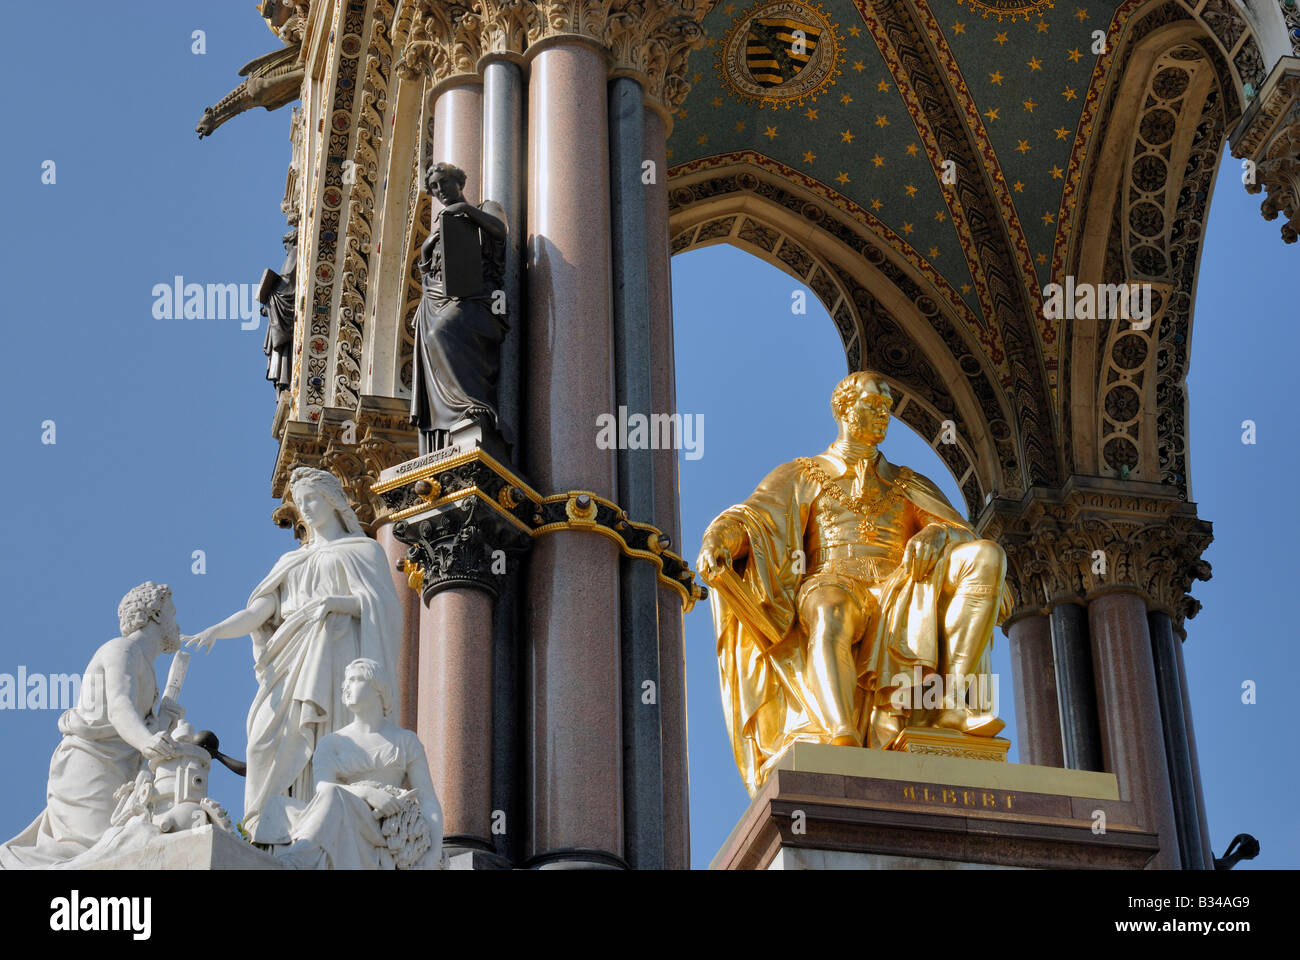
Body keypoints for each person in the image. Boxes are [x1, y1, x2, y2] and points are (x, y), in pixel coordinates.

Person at [697, 371, 1012, 795]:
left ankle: (951, 704)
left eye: (887, 408)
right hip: (831, 581)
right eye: (873, 406)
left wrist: (940, 533)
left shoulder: (907, 481)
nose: (883, 415)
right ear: (845, 410)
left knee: (987, 556)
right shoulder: (802, 473)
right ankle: (840, 732)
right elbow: (752, 519)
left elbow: (963, 533)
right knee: (831, 611)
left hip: (901, 587)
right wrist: (719, 540)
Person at [187, 467, 403, 844]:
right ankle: (266, 829)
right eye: (300, 502)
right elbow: (259, 613)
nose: (305, 508)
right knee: (261, 741)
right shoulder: (289, 563)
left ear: (333, 501)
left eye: (312, 499)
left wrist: (335, 603)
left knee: (327, 737)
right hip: (288, 659)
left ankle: (323, 823)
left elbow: (384, 608)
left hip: (336, 654)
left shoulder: (364, 551)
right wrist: (218, 630)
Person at [1, 582, 183, 867]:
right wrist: (147, 742)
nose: (177, 623)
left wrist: (163, 720)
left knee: (108, 853)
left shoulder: (149, 672)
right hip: (89, 763)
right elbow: (119, 708)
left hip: (119, 772)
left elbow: (138, 732)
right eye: (172, 613)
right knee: (80, 851)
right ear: (156, 616)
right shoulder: (121, 650)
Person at [274, 658, 442, 870]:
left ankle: (297, 861)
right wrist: (367, 793)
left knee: (333, 797)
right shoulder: (332, 743)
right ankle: (297, 861)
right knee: (282, 806)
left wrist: (434, 853)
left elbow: (428, 800)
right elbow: (322, 790)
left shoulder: (405, 741)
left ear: (377, 687)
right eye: (347, 680)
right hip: (348, 820)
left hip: (388, 828)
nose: (347, 686)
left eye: (355, 679)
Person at [409, 161, 509, 455]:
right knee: (432, 336)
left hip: (478, 300)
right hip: (436, 302)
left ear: (459, 182)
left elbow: (500, 231)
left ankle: (471, 405)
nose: (440, 191)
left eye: (444, 183)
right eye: (435, 187)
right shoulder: (439, 227)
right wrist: (428, 247)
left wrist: (464, 211)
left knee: (444, 331)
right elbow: (429, 275)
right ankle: (448, 425)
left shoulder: (485, 207)